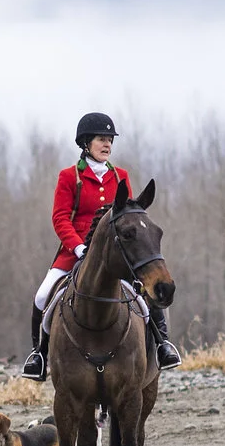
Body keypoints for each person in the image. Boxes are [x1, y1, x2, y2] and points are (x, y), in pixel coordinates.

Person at [23, 113, 179, 380]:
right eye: (101, 139)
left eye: (109, 140)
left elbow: (127, 215)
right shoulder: (69, 177)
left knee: (144, 292)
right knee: (42, 296)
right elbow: (60, 217)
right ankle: (39, 355)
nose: (107, 144)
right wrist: (77, 248)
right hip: (76, 252)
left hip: (115, 252)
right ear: (86, 143)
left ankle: (163, 345)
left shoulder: (121, 175)